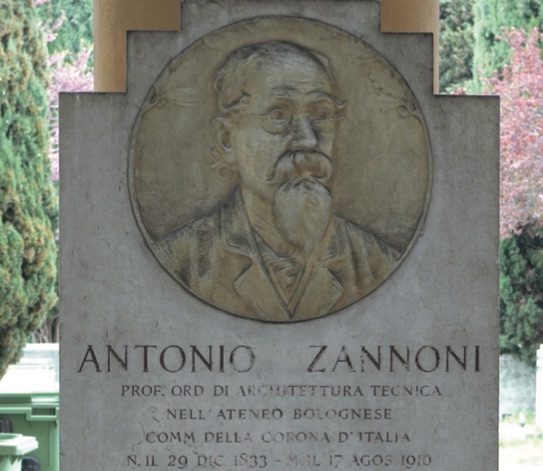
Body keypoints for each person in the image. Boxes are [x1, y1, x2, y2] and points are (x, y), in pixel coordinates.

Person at [158, 41, 401, 321]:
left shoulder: (377, 264)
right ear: (226, 139)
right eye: (278, 115)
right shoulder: (179, 262)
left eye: (321, 115)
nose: (307, 139)